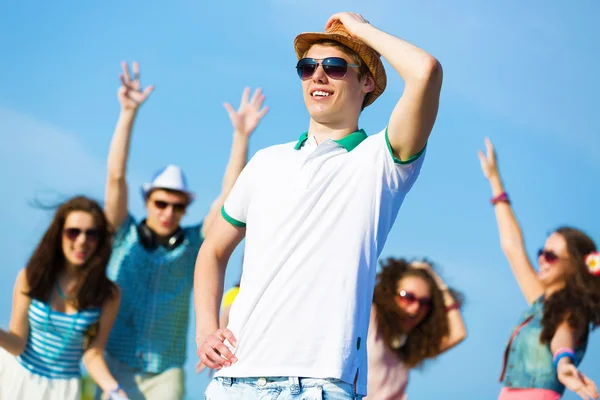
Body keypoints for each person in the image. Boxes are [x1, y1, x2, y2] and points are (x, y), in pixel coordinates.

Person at [195, 11, 442, 399]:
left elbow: (425, 71)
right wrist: (205, 328)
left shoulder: (381, 160)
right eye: (307, 67)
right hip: (234, 380)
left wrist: (359, 31)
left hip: (321, 385)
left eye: (335, 67)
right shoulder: (265, 162)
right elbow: (212, 250)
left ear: (367, 82)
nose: (317, 76)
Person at [99, 62, 267, 400]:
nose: (168, 212)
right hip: (114, 362)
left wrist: (241, 137)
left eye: (177, 206)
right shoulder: (123, 235)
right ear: (147, 200)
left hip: (166, 372)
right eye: (161, 203)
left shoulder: (192, 245)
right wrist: (128, 113)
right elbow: (115, 178)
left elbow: (230, 199)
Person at [478, 138, 600, 400]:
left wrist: (564, 363)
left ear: (575, 266)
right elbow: (513, 248)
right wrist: (495, 181)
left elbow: (563, 335)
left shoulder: (573, 308)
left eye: (552, 256)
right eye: (542, 253)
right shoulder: (541, 302)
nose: (542, 260)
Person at [0, 196, 126, 400]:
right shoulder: (30, 278)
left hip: (63, 390)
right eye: (73, 232)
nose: (82, 241)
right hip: (18, 378)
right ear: (59, 235)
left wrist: (115, 390)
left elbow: (93, 354)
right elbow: (17, 343)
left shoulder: (108, 295)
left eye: (91, 234)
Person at [366, 257, 466, 400]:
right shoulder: (369, 319)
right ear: (389, 293)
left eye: (424, 302)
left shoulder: (410, 346)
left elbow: (458, 334)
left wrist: (439, 287)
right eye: (408, 297)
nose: (415, 308)